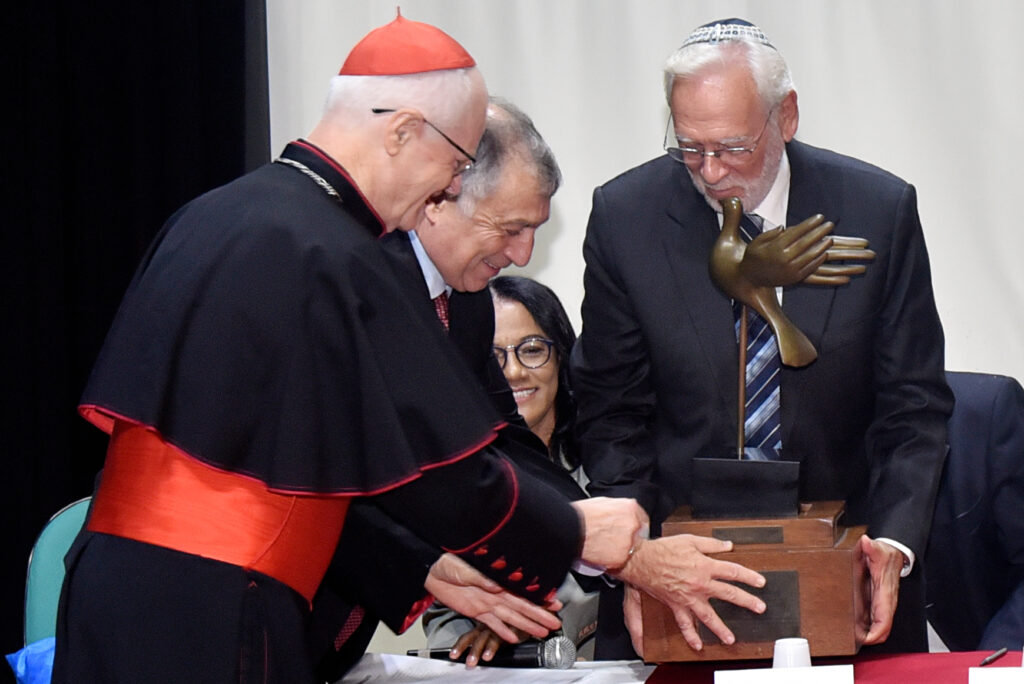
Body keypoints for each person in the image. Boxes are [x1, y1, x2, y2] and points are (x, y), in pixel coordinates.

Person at [52, 16, 639, 683]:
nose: (441, 194)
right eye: (452, 168)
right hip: (218, 607)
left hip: (116, 587)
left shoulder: (216, 214)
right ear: (404, 131)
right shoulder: (339, 256)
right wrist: (571, 534)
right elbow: (435, 472)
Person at [570, 17, 954, 658]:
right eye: (688, 149)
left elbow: (913, 408)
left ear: (787, 117)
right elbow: (612, 412)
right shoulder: (625, 217)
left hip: (844, 567)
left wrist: (891, 543)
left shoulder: (876, 209)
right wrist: (634, 557)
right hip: (679, 576)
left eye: (732, 147)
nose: (711, 172)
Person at [423, 275, 600, 663]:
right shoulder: (455, 482)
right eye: (494, 356)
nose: (515, 371)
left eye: (532, 349)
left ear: (562, 355)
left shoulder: (609, 461)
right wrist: (498, 626)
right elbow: (445, 626)